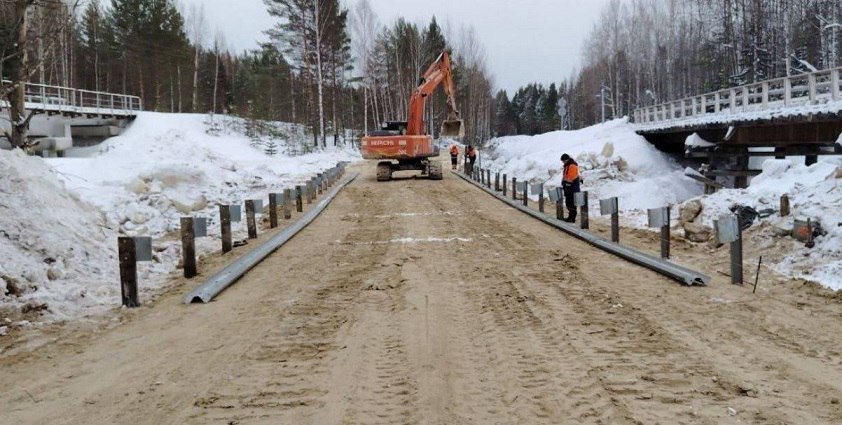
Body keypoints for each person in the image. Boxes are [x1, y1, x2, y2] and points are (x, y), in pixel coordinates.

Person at [560, 153, 580, 223]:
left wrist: (566, 183)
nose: (563, 162)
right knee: (568, 203)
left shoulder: (572, 166)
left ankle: (572, 218)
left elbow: (571, 177)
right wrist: (564, 183)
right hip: (568, 188)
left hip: (572, 188)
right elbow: (566, 176)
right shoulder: (567, 166)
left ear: (567, 159)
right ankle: (570, 217)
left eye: (563, 161)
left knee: (571, 204)